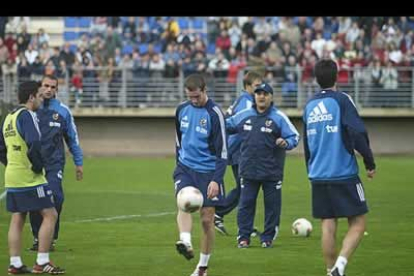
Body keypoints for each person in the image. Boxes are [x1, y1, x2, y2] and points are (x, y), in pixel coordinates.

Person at [302, 59, 376, 276]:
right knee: (359, 222)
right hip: (343, 172)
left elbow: (307, 143)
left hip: (318, 174)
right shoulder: (343, 100)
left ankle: (329, 270)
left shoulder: (309, 105)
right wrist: (369, 162)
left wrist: (311, 169)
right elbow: (358, 133)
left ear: (316, 79)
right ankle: (340, 266)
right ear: (337, 76)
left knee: (328, 222)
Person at [0, 81, 65, 274]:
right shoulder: (28, 115)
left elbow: (1, 149)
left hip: (12, 175)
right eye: (38, 95)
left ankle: (15, 263)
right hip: (30, 176)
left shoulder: (8, 117)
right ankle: (42, 261)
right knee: (50, 214)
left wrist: (12, 164)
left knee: (18, 217)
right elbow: (34, 143)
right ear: (30, 97)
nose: (40, 98)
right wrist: (37, 166)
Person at [226, 82, 300, 248]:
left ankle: (267, 238)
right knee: (245, 205)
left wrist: (285, 142)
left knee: (272, 208)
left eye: (265, 94)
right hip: (248, 169)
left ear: (271, 97)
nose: (261, 96)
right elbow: (227, 125)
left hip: (272, 171)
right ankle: (243, 237)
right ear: (255, 96)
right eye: (258, 93)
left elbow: (294, 136)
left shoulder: (278, 117)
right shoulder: (244, 114)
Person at [173, 74, 227, 276]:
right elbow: (179, 141)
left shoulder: (214, 114)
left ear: (205, 91)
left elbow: (223, 151)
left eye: (197, 96)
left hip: (208, 172)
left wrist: (216, 179)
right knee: (183, 201)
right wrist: (179, 164)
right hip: (186, 168)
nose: (194, 100)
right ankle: (185, 241)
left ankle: (202, 267)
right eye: (190, 97)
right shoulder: (181, 110)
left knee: (206, 220)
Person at [29, 74, 83, 251]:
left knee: (56, 198)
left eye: (53, 87)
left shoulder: (63, 111)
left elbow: (72, 139)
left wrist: (78, 162)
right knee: (35, 200)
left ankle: (50, 237)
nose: (49, 89)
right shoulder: (31, 110)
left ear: (57, 90)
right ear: (40, 87)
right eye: (46, 86)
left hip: (54, 164)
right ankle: (39, 239)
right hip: (34, 164)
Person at [214, 70, 263, 235]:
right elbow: (243, 127)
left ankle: (226, 217)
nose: (260, 89)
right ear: (247, 86)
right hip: (238, 150)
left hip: (236, 149)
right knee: (246, 188)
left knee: (244, 188)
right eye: (257, 86)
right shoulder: (247, 102)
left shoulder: (244, 99)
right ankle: (222, 215)